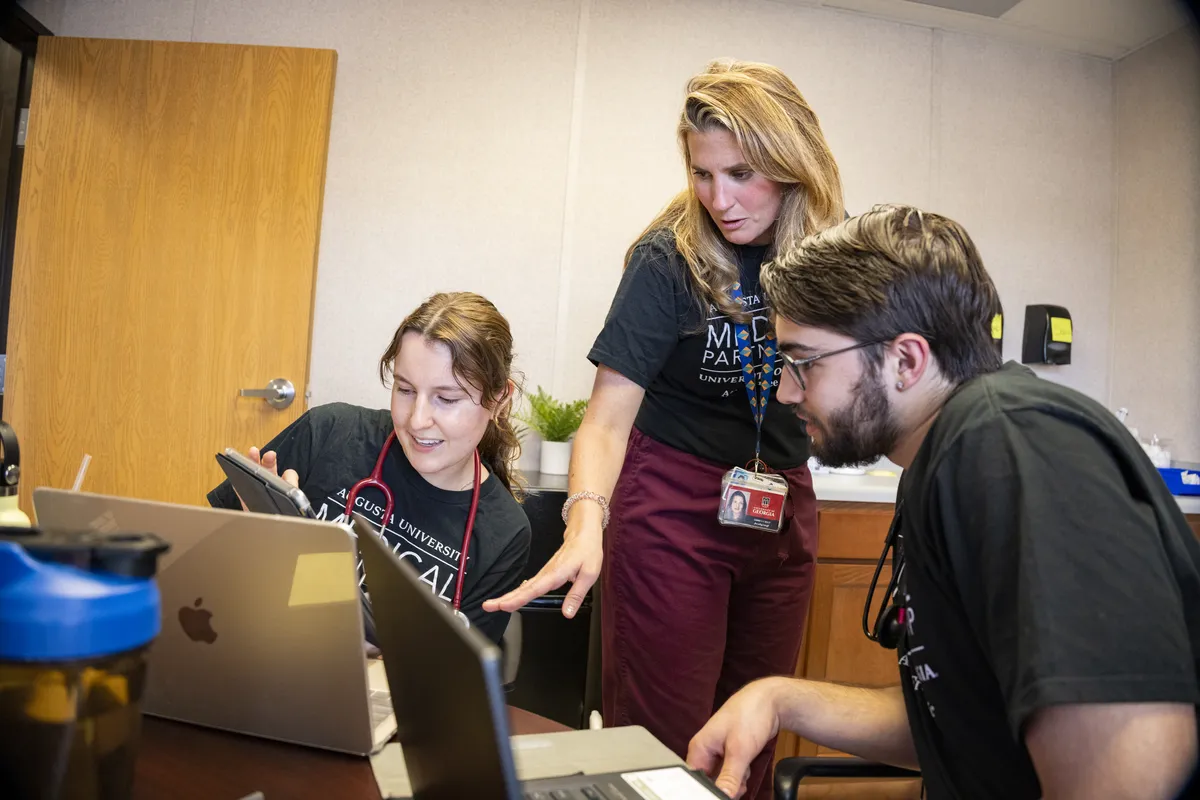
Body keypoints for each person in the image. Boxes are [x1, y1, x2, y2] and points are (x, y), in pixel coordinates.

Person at [687, 204, 1200, 800]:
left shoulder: (1010, 445)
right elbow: (960, 719)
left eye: (802, 362)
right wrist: (778, 699)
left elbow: (1131, 772)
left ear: (906, 360)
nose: (783, 390)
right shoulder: (940, 463)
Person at [486, 58, 844, 798]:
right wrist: (586, 522)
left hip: (781, 503)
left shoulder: (829, 259)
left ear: (792, 161)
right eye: (703, 173)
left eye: (741, 173)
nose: (720, 198)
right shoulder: (668, 259)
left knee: (753, 731)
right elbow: (607, 420)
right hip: (674, 501)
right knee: (666, 741)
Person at [209, 292, 532, 646]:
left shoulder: (504, 533)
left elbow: (455, 679)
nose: (417, 420)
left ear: (499, 399)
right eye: (405, 389)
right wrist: (249, 538)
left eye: (447, 399)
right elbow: (209, 568)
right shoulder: (329, 432)